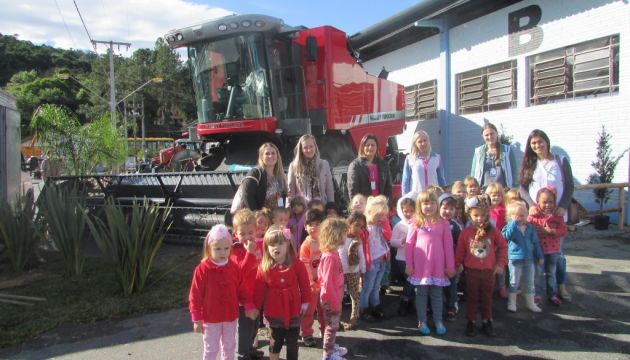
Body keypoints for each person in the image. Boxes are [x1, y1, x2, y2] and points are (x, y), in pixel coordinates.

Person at [519, 129, 574, 301]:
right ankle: (536, 291)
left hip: (556, 215)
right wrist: (532, 205)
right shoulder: (531, 163)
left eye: (540, 142)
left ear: (547, 142)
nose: (537, 145)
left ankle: (561, 287)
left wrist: (563, 206)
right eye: (534, 143)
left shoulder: (560, 161)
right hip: (537, 217)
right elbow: (523, 188)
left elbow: (570, 186)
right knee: (537, 254)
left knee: (557, 255)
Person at [189, 224, 258, 360]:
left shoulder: (233, 267)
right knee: (211, 348)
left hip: (230, 317)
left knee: (229, 346)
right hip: (210, 318)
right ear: (209, 249)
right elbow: (195, 295)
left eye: (226, 248)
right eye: (218, 249)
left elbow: (242, 289)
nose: (222, 252)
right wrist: (196, 318)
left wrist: (249, 306)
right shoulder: (202, 269)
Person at [253, 225, 311, 360]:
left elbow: (304, 284)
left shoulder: (297, 264)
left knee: (292, 342)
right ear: (266, 247)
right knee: (275, 341)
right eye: (271, 244)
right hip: (274, 312)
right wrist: (255, 308)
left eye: (280, 243)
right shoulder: (264, 268)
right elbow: (259, 291)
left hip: (294, 309)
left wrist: (305, 302)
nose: (276, 247)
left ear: (288, 245)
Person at [455, 195, 507, 337]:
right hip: (471, 272)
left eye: (482, 215)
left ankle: (486, 320)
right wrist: (457, 265)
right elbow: (460, 251)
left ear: (487, 215)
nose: (479, 218)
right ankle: (471, 321)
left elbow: (503, 246)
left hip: (489, 272)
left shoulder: (493, 231)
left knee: (487, 298)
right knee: (472, 297)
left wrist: (500, 264)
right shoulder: (466, 233)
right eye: (475, 215)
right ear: (470, 215)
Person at [405, 191, 455, 336]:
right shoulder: (415, 222)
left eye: (433, 203)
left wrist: (450, 265)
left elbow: (448, 246)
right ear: (420, 205)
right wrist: (409, 264)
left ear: (437, 205)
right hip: (421, 266)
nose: (429, 206)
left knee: (437, 294)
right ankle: (422, 321)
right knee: (421, 294)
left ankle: (438, 320)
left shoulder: (443, 223)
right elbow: (409, 244)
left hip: (438, 265)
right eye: (426, 203)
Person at [230, 209, 264, 360]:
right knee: (243, 328)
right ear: (235, 234)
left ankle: (250, 349)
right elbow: (240, 272)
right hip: (243, 299)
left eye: (250, 232)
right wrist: (249, 253)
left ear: (256, 231)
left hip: (256, 294)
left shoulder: (258, 245)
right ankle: (241, 354)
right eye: (242, 234)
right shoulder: (236, 250)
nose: (246, 237)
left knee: (254, 325)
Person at [528, 187, 568, 306]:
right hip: (539, 251)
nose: (547, 205)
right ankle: (537, 294)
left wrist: (551, 231)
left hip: (553, 250)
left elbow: (564, 231)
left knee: (551, 273)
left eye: (550, 202)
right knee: (538, 273)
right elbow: (528, 230)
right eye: (544, 202)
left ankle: (552, 294)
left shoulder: (558, 216)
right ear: (538, 202)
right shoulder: (533, 217)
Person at [502, 202, 544, 313]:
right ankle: (512, 302)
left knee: (529, 281)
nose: (519, 218)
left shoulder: (530, 227)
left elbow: (535, 242)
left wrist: (540, 255)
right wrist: (512, 223)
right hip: (515, 259)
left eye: (521, 215)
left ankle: (530, 303)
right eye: (516, 215)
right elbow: (506, 237)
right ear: (510, 216)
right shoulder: (510, 227)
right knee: (514, 281)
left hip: (529, 258)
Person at [318, 217, 350, 360]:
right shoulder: (330, 257)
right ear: (336, 235)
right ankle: (328, 354)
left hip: (335, 297)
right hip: (331, 299)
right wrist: (334, 301)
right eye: (344, 233)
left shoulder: (333, 253)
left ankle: (331, 346)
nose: (346, 235)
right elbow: (326, 282)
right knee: (331, 326)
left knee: (333, 325)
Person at [359, 195, 390, 321]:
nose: (380, 219)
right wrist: (364, 263)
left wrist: (384, 223)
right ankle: (364, 308)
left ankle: (375, 305)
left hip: (381, 259)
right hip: (371, 261)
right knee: (368, 286)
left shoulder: (380, 225)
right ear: (369, 212)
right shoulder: (365, 228)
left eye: (383, 216)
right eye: (378, 216)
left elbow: (388, 237)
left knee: (377, 286)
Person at [299, 209, 326, 347]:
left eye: (317, 224)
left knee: (323, 309)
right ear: (305, 227)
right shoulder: (306, 244)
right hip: (311, 284)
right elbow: (305, 266)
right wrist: (310, 283)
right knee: (309, 311)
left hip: (323, 282)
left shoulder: (325, 241)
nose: (314, 227)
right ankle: (306, 333)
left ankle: (324, 330)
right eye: (311, 224)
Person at [339, 212, 367, 330]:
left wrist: (363, 269)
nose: (359, 229)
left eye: (362, 227)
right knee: (338, 296)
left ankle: (354, 318)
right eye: (356, 225)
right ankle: (337, 318)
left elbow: (361, 255)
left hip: (354, 271)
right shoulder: (341, 237)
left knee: (354, 295)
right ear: (349, 224)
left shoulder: (357, 241)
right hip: (340, 271)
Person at [287, 134, 335, 205]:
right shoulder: (294, 166)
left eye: (311, 146)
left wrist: (331, 207)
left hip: (321, 208)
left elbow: (329, 189)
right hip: (302, 210)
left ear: (315, 147)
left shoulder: (324, 164)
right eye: (305, 147)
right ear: (301, 150)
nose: (309, 150)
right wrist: (288, 209)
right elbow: (290, 191)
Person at [241, 143, 287, 211]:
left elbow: (281, 198)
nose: (270, 156)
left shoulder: (279, 175)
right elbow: (247, 195)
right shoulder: (255, 173)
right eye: (267, 154)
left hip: (275, 218)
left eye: (273, 153)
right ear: (261, 157)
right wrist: (257, 214)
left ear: (277, 156)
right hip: (260, 218)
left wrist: (281, 211)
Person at [470, 122, 518, 189]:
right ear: (483, 137)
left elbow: (514, 172)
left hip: (502, 191)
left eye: (492, 134)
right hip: (484, 192)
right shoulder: (478, 152)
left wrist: (513, 188)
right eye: (486, 135)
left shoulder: (507, 150)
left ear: (497, 134)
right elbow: (473, 173)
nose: (489, 137)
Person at [438, 193, 462, 322]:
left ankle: (452, 306)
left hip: (450, 261)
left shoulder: (455, 226)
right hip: (436, 261)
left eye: (451, 209)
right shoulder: (434, 223)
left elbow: (460, 245)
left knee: (451, 284)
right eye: (445, 208)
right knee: (436, 284)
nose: (448, 211)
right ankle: (433, 305)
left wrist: (459, 263)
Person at [390, 197, 416, 316]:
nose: (408, 214)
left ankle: (409, 302)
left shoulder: (418, 224)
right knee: (411, 280)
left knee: (412, 280)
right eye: (406, 211)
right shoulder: (399, 225)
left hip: (416, 258)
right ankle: (404, 301)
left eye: (411, 211)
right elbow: (392, 241)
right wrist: (402, 241)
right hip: (402, 258)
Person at [401, 130, 447, 196]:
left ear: (428, 141)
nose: (423, 143)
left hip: (434, 197)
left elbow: (441, 180)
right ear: (415, 144)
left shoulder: (437, 158)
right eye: (420, 141)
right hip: (416, 198)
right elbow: (405, 181)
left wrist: (444, 195)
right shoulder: (410, 159)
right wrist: (405, 198)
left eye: (425, 140)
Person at [347, 133, 392, 199]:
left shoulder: (383, 165)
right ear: (362, 147)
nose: (370, 147)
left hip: (380, 206)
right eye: (367, 145)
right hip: (364, 207)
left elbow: (388, 188)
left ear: (377, 147)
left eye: (373, 145)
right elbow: (353, 191)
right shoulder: (355, 166)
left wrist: (386, 204)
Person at [485, 182, 508, 298]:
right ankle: (490, 286)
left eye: (498, 195)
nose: (496, 197)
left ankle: (502, 286)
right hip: (489, 242)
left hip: (501, 241)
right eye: (493, 195)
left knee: (501, 265)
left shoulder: (504, 210)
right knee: (489, 265)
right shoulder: (485, 211)